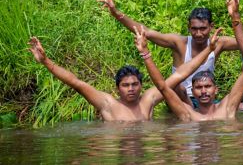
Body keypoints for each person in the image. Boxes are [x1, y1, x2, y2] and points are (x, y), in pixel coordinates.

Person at [98, 0, 243, 107]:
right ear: (189, 28)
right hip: (181, 98)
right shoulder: (179, 43)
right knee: (177, 86)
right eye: (194, 29)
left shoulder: (218, 43)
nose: (199, 33)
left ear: (210, 27)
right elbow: (145, 31)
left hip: (206, 96)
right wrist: (117, 13)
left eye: (203, 29)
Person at [28, 36, 217, 122]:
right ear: (118, 88)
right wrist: (46, 62)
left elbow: (181, 74)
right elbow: (76, 83)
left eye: (135, 84)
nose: (131, 88)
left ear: (141, 86)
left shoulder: (149, 100)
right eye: (125, 85)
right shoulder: (108, 104)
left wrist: (209, 50)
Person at [132, 3, 243, 121]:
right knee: (175, 85)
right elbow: (162, 86)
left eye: (207, 87)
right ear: (193, 92)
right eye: (199, 88)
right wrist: (145, 53)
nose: (204, 91)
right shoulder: (188, 114)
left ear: (216, 90)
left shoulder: (227, 109)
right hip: (184, 100)